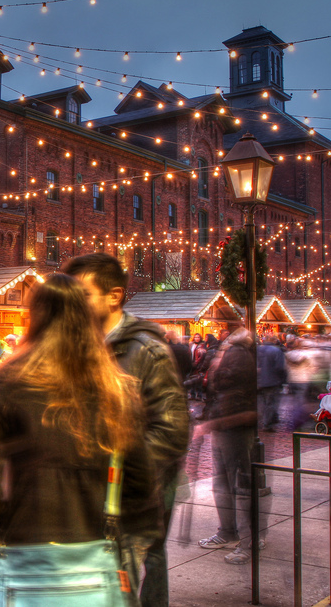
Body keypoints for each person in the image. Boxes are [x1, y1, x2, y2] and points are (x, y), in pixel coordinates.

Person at [0, 274, 139, 605]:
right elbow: (138, 478)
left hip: (25, 541)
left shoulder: (6, 380)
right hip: (94, 544)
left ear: (36, 316)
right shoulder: (114, 387)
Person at [63, 254, 188, 606]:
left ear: (114, 296)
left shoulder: (147, 349)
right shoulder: (75, 344)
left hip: (135, 492)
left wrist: (124, 471)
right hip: (89, 494)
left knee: (133, 569)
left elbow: (172, 429)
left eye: (83, 296)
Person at [195, 324, 270, 565]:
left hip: (234, 427)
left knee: (240, 485)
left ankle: (247, 540)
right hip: (225, 424)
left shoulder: (237, 353)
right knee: (224, 483)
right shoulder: (234, 351)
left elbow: (230, 387)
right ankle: (229, 532)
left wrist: (215, 368)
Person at [257, 334, 288, 432]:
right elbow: (280, 367)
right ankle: (267, 424)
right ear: (274, 341)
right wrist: (282, 380)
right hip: (271, 381)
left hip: (258, 381)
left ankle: (258, 421)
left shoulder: (257, 350)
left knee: (260, 402)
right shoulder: (276, 351)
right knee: (270, 403)